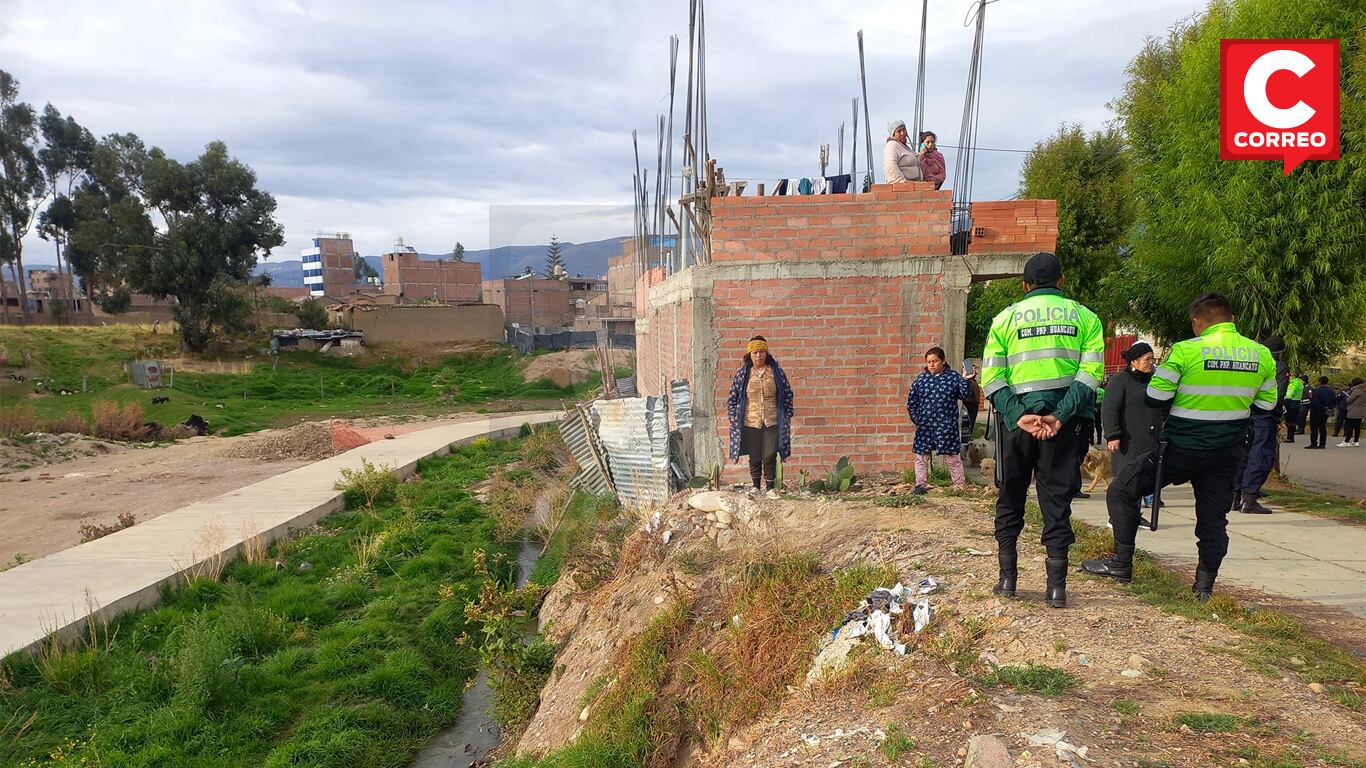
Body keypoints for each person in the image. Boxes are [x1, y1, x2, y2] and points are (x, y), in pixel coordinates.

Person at [1082, 293, 1277, 602]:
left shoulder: (1186, 351)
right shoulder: (1261, 354)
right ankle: (1204, 588)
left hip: (1181, 448)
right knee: (1213, 520)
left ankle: (1121, 562)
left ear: (1196, 323)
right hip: (1226, 452)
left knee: (1121, 490)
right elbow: (1267, 404)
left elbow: (1156, 397)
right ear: (1233, 320)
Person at [981, 252, 1104, 608]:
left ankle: (1007, 580)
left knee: (1011, 495)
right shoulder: (1085, 317)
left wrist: (1019, 415)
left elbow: (992, 377)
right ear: (1061, 281)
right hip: (1064, 426)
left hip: (1016, 425)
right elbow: (1090, 376)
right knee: (1057, 501)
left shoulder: (1005, 318)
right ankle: (1056, 588)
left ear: (1025, 285)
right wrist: (1059, 416)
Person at [726, 335, 795, 498]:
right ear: (749, 355)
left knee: (770, 453)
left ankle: (770, 487)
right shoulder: (743, 374)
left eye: (762, 352)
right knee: (755, 454)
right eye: (755, 352)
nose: (759, 355)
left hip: (772, 420)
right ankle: (755, 486)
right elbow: (733, 397)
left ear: (766, 353)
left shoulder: (776, 372)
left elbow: (787, 393)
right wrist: (733, 416)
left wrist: (787, 414)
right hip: (751, 420)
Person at [1102, 341, 1164, 520]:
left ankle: (1134, 516)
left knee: (1142, 480)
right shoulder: (1120, 380)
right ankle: (1118, 518)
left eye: (1152, 359)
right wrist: (1113, 434)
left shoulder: (1153, 380)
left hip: (1149, 440)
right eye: (1147, 359)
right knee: (1126, 479)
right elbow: (1109, 409)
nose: (1151, 363)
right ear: (1134, 361)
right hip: (1128, 442)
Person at [907, 347, 974, 493]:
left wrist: (966, 379)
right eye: (929, 362)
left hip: (946, 425)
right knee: (921, 456)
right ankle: (920, 485)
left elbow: (964, 394)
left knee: (953, 456)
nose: (932, 364)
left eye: (935, 361)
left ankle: (959, 485)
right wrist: (918, 419)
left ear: (943, 361)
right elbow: (912, 401)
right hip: (925, 426)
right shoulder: (921, 380)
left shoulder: (953, 377)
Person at [1235, 335, 1288, 515]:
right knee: (1261, 454)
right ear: (1280, 353)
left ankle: (1235, 496)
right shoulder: (1277, 367)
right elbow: (1278, 395)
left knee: (1242, 454)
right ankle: (1249, 498)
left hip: (1243, 414)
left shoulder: (1250, 363)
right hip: (1264, 416)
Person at [1306, 376, 1336, 450]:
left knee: (1314, 428)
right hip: (1326, 411)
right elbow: (1334, 401)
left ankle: (1314, 443)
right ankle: (1322, 443)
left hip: (1316, 411)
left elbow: (1314, 401)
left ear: (1319, 381)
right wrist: (1328, 408)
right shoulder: (1331, 391)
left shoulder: (1316, 390)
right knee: (1322, 427)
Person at [1338, 378, 1364, 448]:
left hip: (1354, 410)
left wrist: (1347, 396)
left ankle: (1346, 441)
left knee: (1349, 426)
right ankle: (1356, 441)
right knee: (1357, 427)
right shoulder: (1364, 390)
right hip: (1361, 410)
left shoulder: (1357, 390)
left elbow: (1349, 400)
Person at [1283, 373, 1304, 442]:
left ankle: (1289, 437)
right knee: (1293, 421)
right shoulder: (1300, 383)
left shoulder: (1292, 384)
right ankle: (1291, 437)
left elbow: (1288, 396)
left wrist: (1283, 404)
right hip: (1297, 403)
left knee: (1289, 421)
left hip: (1290, 404)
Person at [1094, 381, 1106, 445]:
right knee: (1098, 424)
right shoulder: (1102, 391)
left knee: (1091, 425)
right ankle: (1099, 440)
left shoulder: (1093, 390)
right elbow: (1104, 400)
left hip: (1092, 407)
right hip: (1099, 407)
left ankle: (1091, 440)